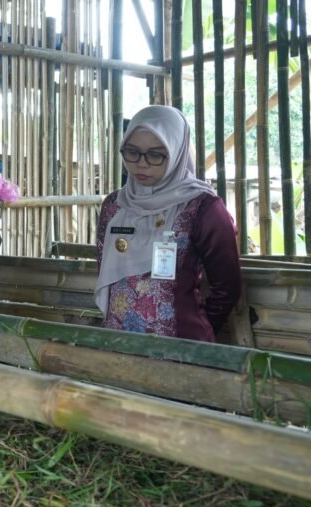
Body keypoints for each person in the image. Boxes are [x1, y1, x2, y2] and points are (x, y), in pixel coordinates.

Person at [94, 105, 241, 342]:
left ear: (176, 152)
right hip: (118, 343)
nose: (141, 164)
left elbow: (227, 289)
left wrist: (188, 328)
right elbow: (103, 268)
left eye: (156, 154)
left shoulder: (203, 207)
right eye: (132, 152)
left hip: (181, 346)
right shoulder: (114, 206)